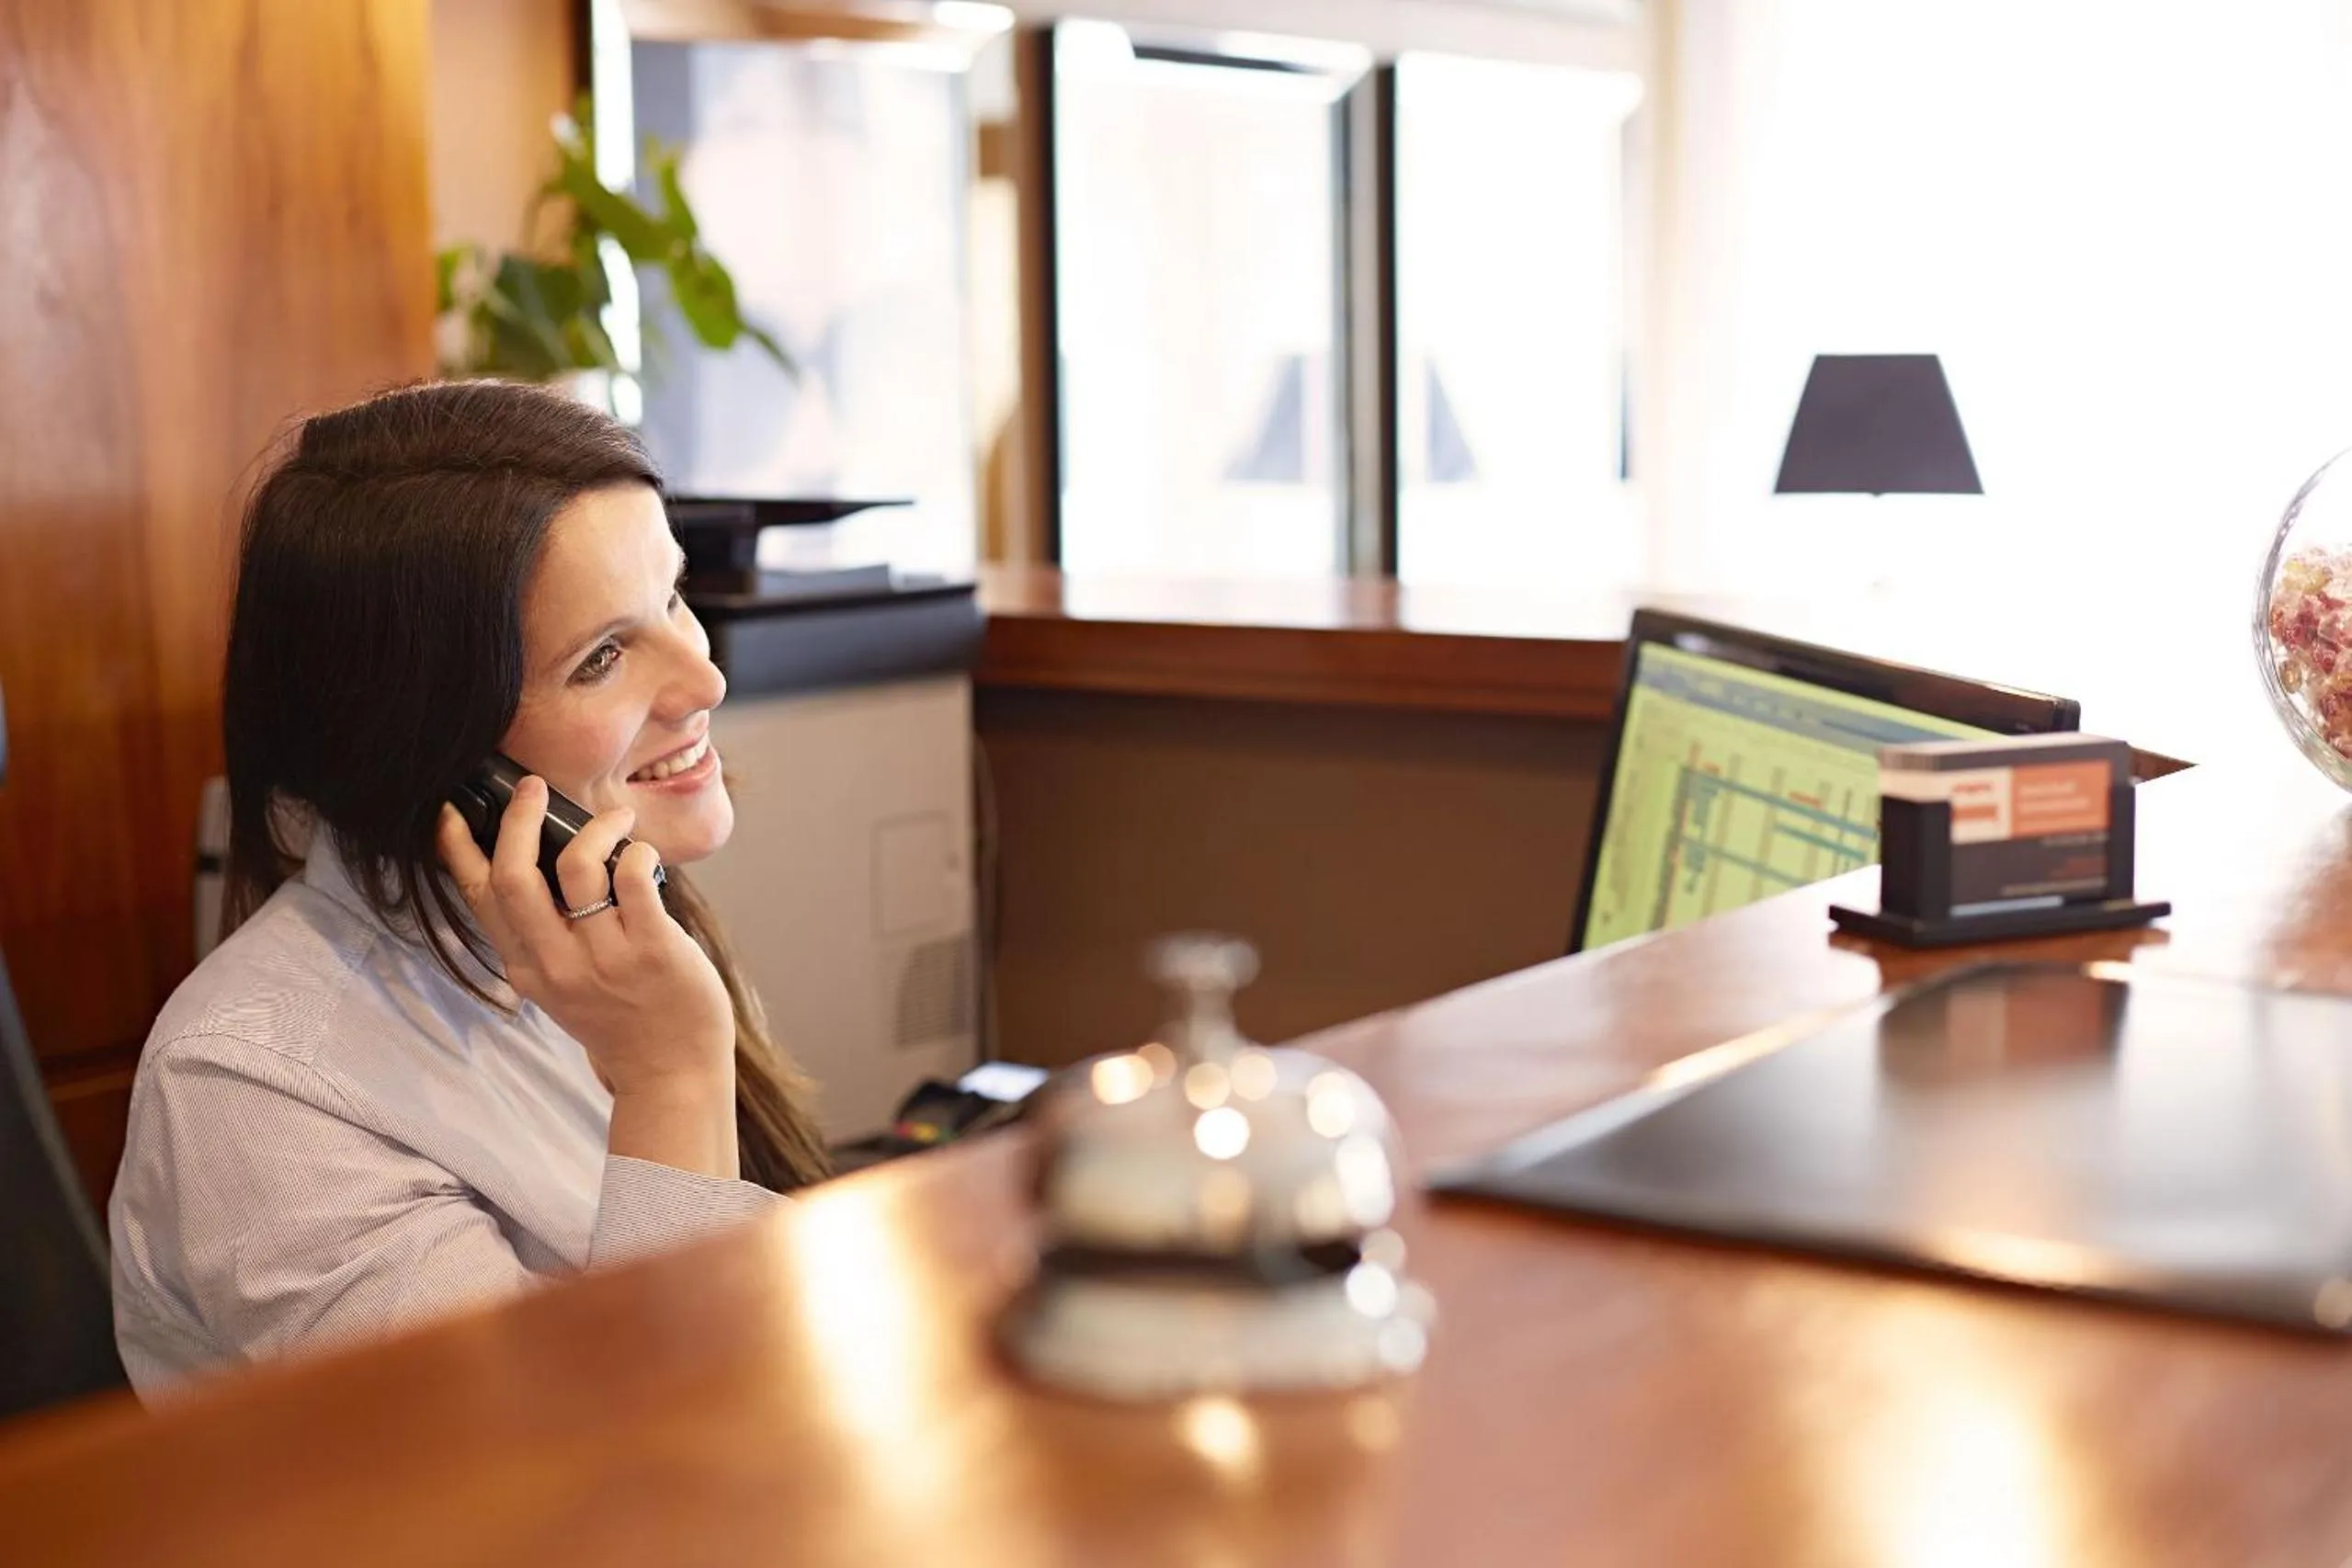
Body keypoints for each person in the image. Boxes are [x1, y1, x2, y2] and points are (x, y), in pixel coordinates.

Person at [108, 381, 829, 1392]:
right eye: (603, 656)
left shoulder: (597, 922)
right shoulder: (251, 1092)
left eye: (671, 593)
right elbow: (616, 1482)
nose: (702, 679)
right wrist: (672, 1073)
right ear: (435, 748)